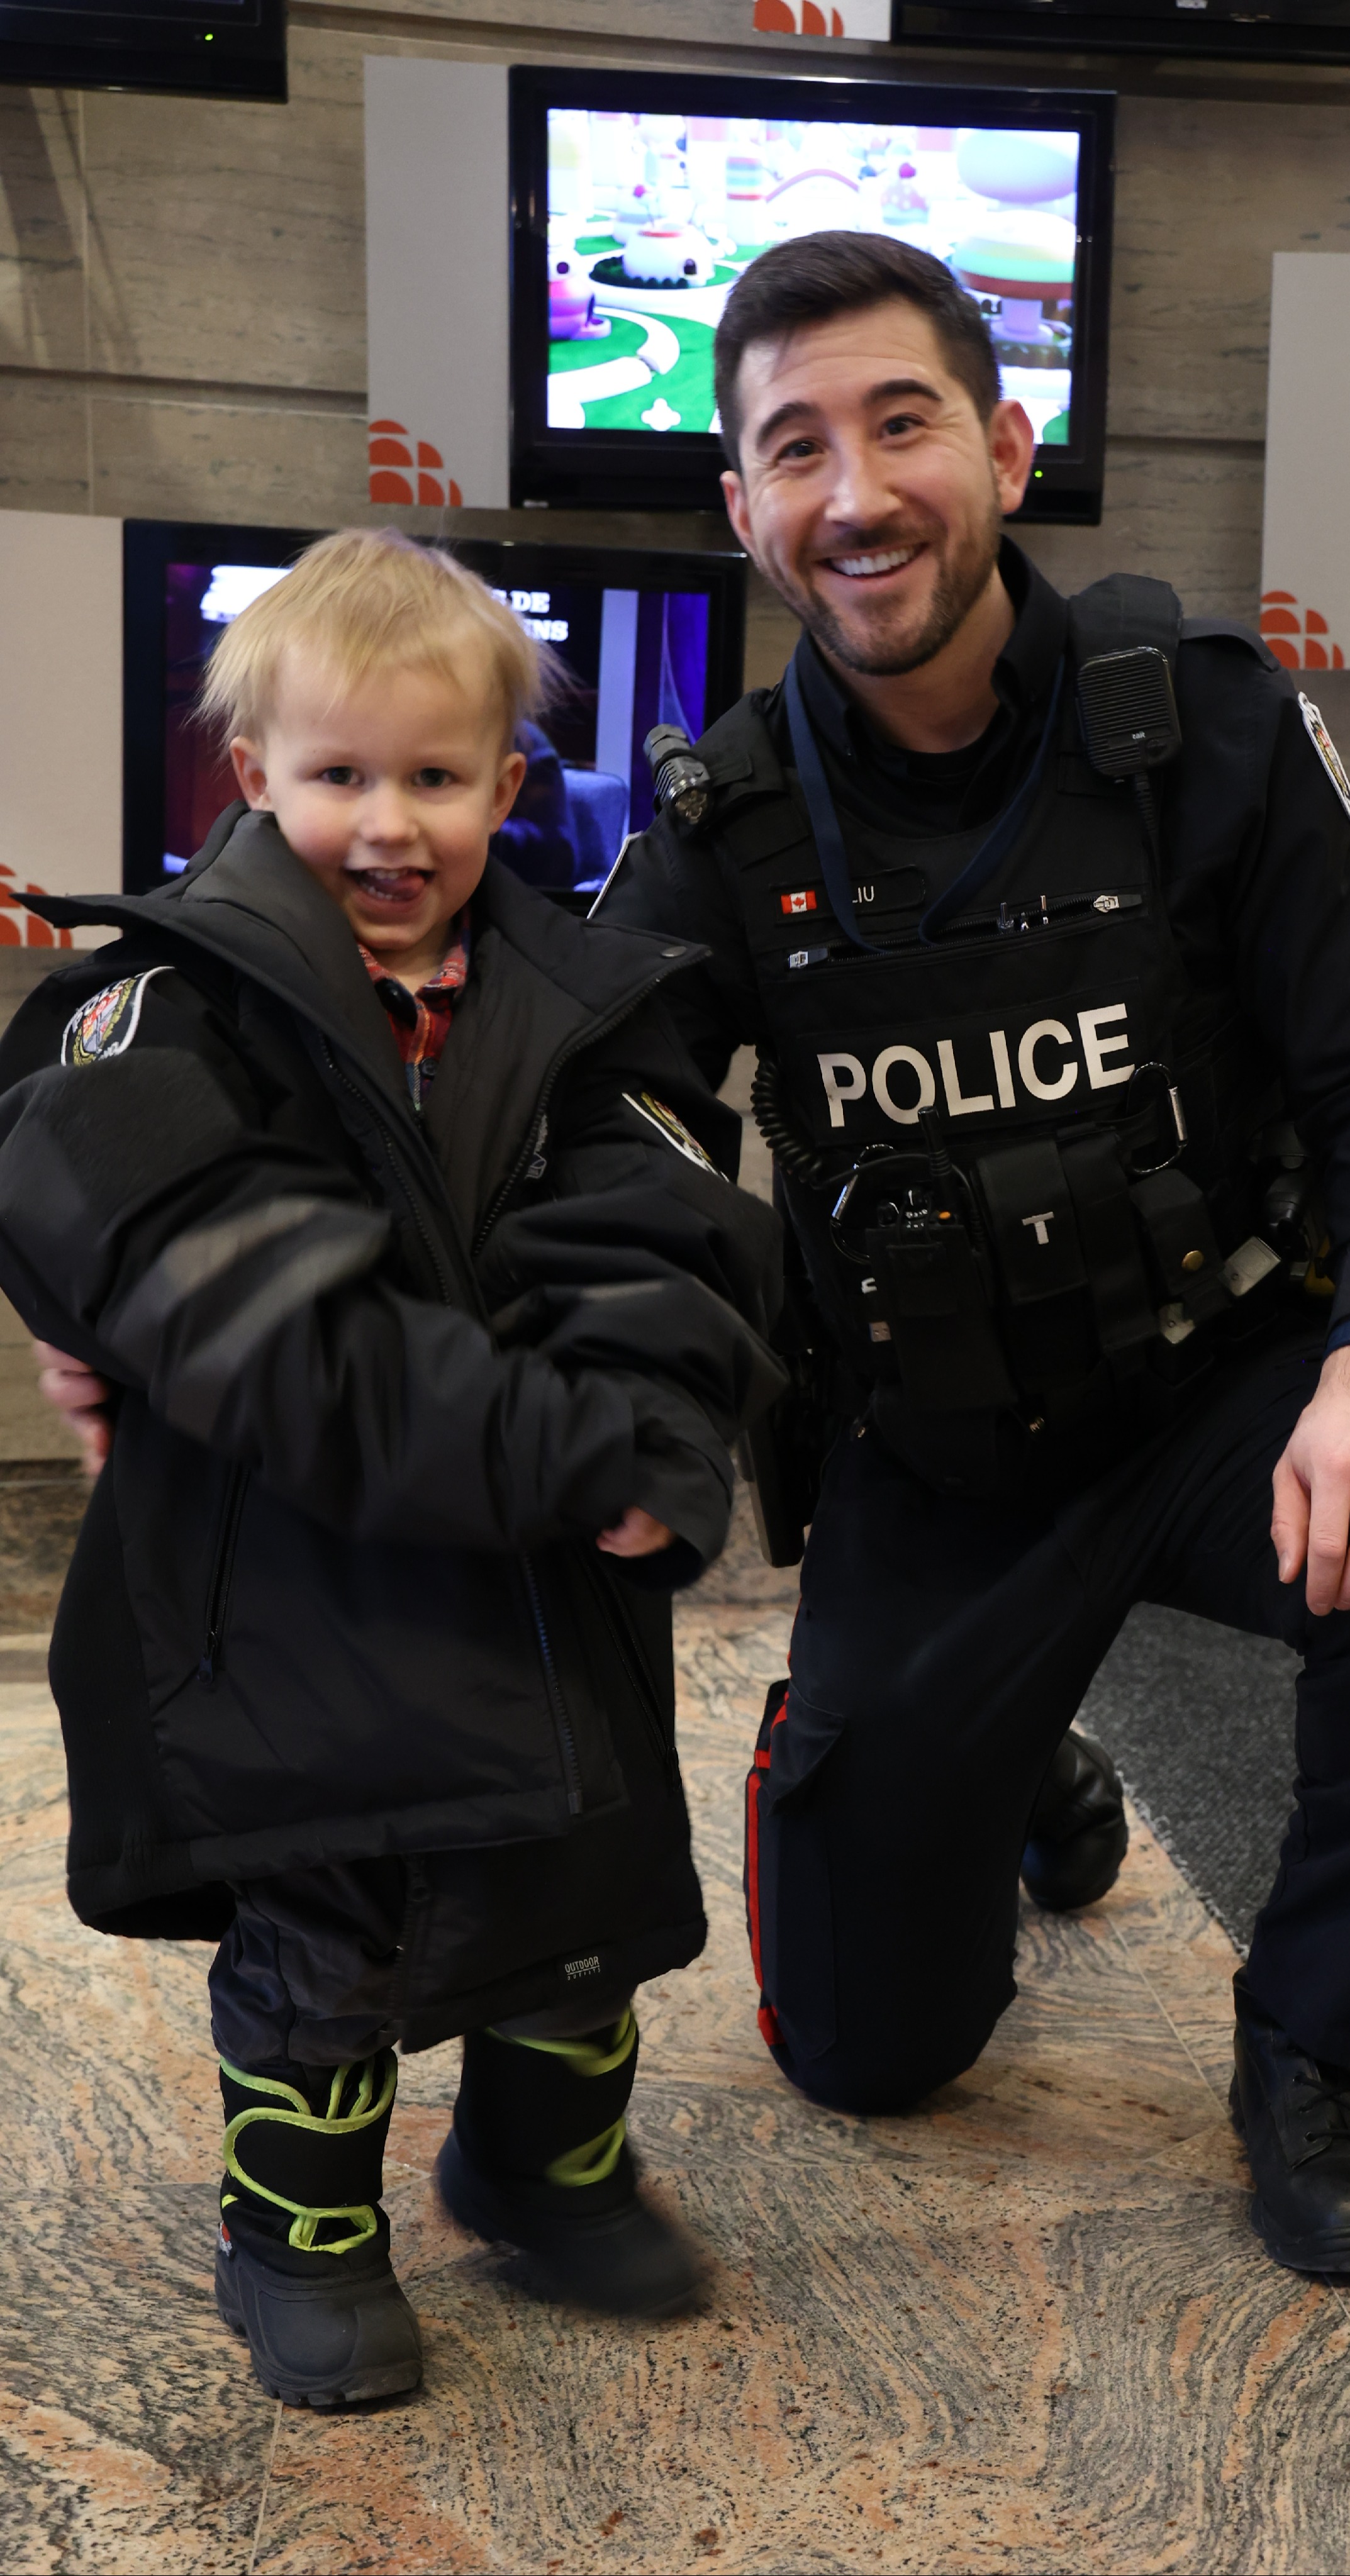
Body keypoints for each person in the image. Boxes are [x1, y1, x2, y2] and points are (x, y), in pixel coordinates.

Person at [593, 231, 1350, 2277]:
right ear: (744, 513)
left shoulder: (1208, 725)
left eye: (901, 422)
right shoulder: (716, 826)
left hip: (1234, 1383)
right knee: (866, 2059)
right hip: (936, 1462)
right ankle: (1014, 1749)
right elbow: (599, 1153)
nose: (853, 493)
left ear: (1008, 449)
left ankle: (1318, 2046)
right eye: (793, 449)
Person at [0, 529, 783, 2407]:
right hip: (288, 1607)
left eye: (435, 776)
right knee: (325, 1942)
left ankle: (540, 2164)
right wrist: (568, 1437)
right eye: (339, 773)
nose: (387, 822)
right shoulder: (154, 1007)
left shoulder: (599, 1009)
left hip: (539, 1604)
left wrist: (657, 1432)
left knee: (578, 1916)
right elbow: (257, 1316)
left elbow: (671, 1245)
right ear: (251, 776)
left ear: (509, 786)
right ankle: (298, 2226)